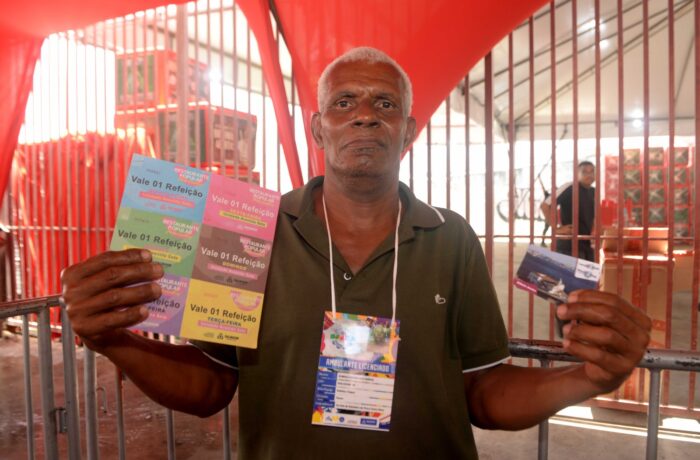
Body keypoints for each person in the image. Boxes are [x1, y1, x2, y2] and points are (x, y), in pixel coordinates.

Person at [61, 48, 650, 459]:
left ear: (409, 132)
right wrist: (113, 339)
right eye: (344, 102)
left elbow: (483, 390)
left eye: (385, 104)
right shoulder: (247, 231)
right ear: (317, 129)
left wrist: (588, 378)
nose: (365, 114)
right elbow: (212, 384)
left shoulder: (453, 239)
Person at [540, 161, 596, 261]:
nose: (589, 175)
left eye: (592, 171)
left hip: (585, 244)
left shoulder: (593, 191)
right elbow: (545, 205)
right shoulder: (570, 187)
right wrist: (556, 229)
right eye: (584, 172)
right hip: (567, 246)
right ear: (577, 174)